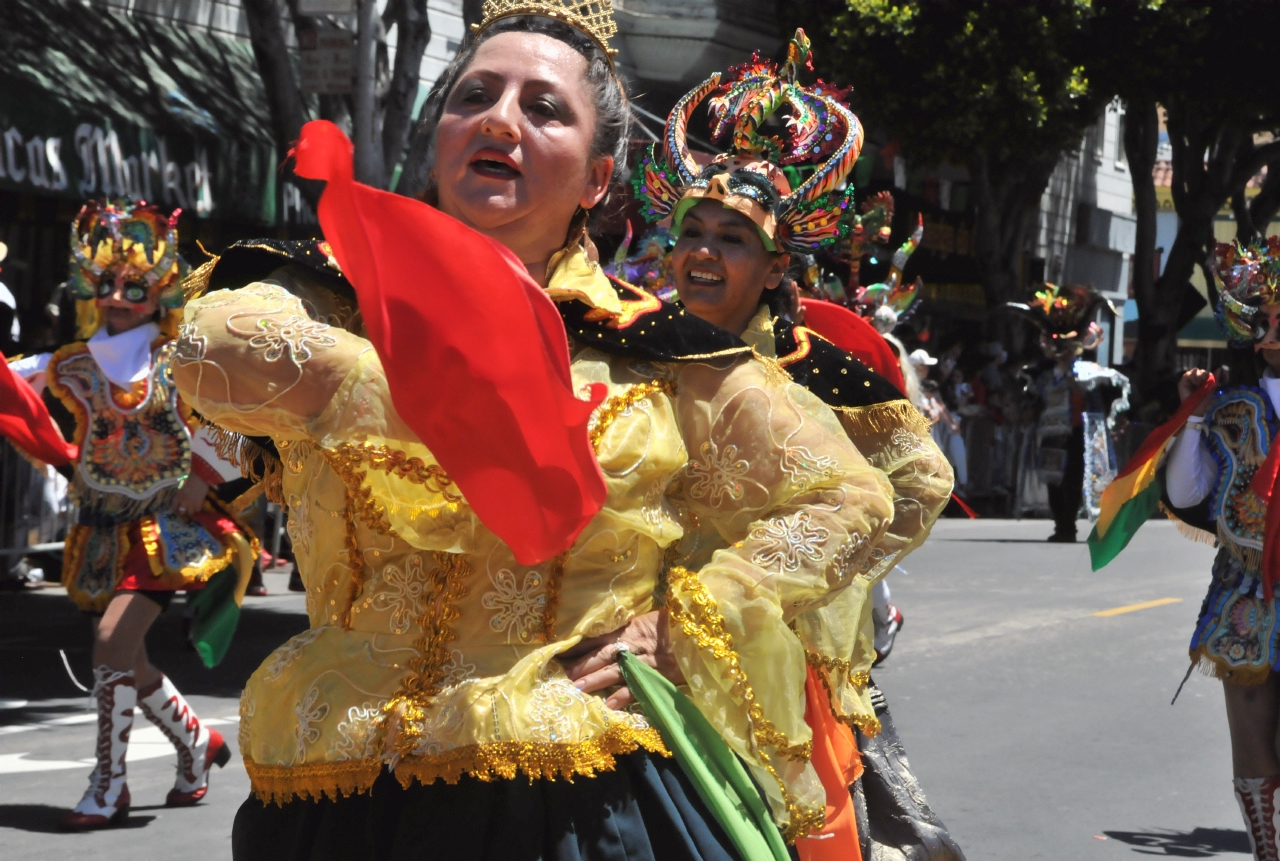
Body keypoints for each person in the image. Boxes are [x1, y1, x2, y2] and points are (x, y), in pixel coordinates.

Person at [174, 6, 895, 859]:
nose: (499, 118)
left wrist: (682, 621)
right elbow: (208, 347)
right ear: (440, 137)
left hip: (572, 794)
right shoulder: (323, 297)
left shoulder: (662, 355)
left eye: (544, 107)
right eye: (474, 95)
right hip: (336, 788)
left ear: (596, 179)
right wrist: (459, 391)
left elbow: (850, 495)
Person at [629, 32, 960, 857]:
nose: (701, 251)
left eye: (731, 238)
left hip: (760, 644)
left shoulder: (821, 370)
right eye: (691, 230)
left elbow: (918, 480)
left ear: (777, 266)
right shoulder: (627, 337)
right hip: (627, 641)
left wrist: (801, 580)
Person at [2, 200, 257, 829]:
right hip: (99, 533)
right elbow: (12, 386)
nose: (119, 297)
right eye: (107, 285)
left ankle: (108, 785)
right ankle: (198, 745)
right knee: (125, 659)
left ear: (158, 290)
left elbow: (241, 415)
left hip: (165, 533)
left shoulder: (182, 360)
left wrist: (201, 474)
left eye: (134, 286)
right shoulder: (71, 363)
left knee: (112, 642)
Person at [1161, 239, 1280, 858]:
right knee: (1251, 726)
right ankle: (1267, 849)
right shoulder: (1232, 410)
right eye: (1273, 320)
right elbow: (1189, 492)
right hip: (1245, 592)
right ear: (1257, 334)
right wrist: (1194, 419)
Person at [1007, 283, 1129, 542]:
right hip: (1052, 434)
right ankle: (1060, 524)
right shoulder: (1043, 374)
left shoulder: (1088, 373)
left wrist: (1071, 375)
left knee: (1073, 480)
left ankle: (1068, 526)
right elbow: (1033, 398)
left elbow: (1094, 395)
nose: (1063, 351)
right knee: (1053, 481)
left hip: (1078, 435)